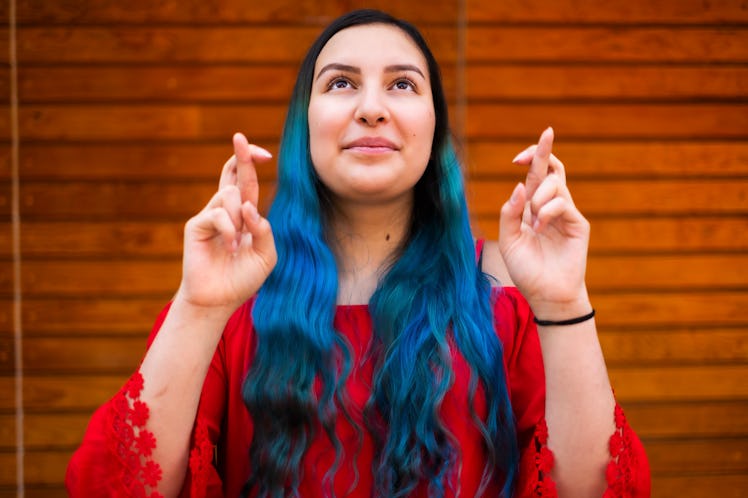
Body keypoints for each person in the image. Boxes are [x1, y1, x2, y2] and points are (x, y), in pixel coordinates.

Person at [66, 9, 650, 498]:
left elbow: (602, 491)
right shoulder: (230, 307)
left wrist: (564, 300)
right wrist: (197, 306)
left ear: (434, 132)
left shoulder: (505, 308)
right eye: (341, 82)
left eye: (402, 84)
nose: (372, 107)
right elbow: (113, 485)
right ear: (306, 125)